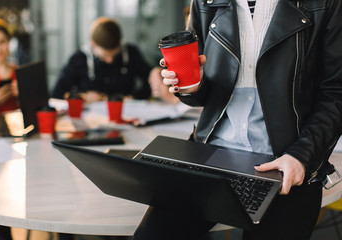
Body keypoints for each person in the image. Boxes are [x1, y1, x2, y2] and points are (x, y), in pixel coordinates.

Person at [133, 0, 342, 240]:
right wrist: (191, 87)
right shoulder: (206, 1)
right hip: (209, 157)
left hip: (285, 163)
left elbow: (336, 91)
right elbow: (202, 90)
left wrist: (302, 156)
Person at [52, 17, 178, 104]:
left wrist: (135, 97)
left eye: (114, 54)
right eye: (105, 55)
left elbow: (149, 78)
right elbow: (57, 94)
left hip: (128, 116)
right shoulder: (78, 59)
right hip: (92, 120)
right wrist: (83, 97)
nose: (110, 60)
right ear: (92, 44)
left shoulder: (130, 52)